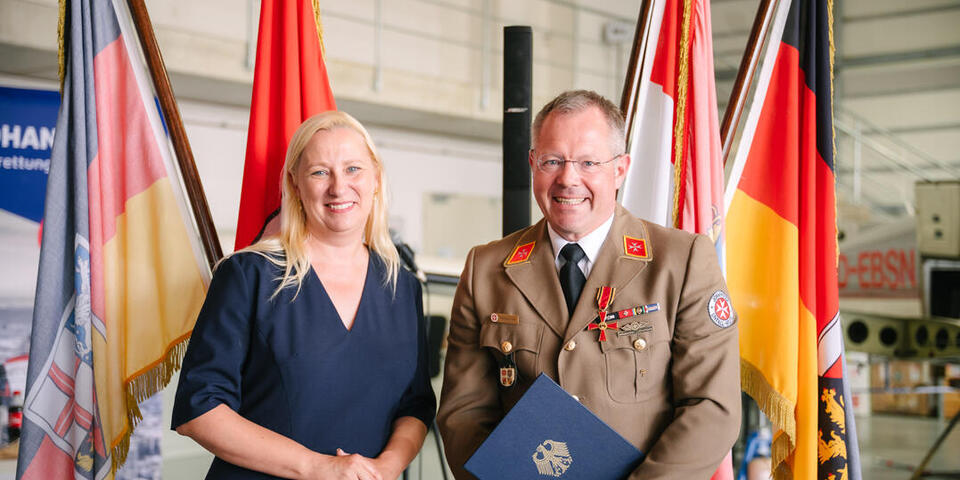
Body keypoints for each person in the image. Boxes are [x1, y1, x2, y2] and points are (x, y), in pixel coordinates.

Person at [437, 90, 740, 479]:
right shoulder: (487, 269)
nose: (568, 179)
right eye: (552, 161)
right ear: (533, 164)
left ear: (620, 168)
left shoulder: (681, 262)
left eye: (588, 162)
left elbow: (712, 407)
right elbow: (464, 412)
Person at [172, 111, 436, 480]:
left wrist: (383, 469)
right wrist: (319, 467)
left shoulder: (402, 286)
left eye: (353, 169)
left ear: (376, 178)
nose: (338, 188)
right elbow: (199, 409)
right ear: (295, 184)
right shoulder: (247, 275)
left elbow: (416, 405)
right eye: (319, 172)